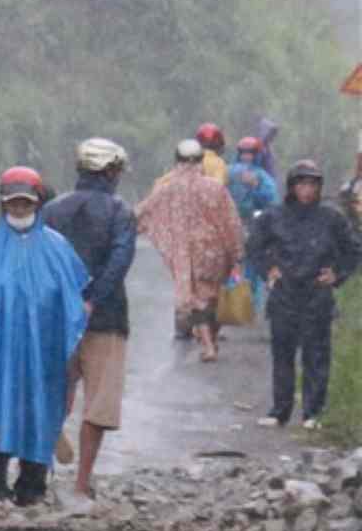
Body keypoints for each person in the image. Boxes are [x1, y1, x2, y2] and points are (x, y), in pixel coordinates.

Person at [0, 166, 89, 507]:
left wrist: (70, 351)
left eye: (26, 202)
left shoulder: (58, 248)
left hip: (44, 354)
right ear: (2, 203)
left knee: (39, 411)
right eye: (12, 203)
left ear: (38, 202)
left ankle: (32, 485)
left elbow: (76, 300)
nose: (19, 208)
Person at [41, 139, 138, 500]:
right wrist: (93, 299)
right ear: (111, 172)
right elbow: (119, 260)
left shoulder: (52, 210)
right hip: (107, 318)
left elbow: (43, 262)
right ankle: (82, 481)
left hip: (58, 317)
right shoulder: (120, 212)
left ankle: (43, 465)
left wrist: (65, 300)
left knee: (55, 390)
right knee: (99, 403)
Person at [248, 160, 360, 430]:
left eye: (312, 184)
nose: (306, 190)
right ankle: (279, 411)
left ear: (319, 187)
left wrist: (337, 275)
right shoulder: (274, 217)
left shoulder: (331, 218)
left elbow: (354, 250)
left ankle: (312, 413)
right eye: (301, 184)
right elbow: (253, 247)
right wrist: (268, 271)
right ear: (291, 186)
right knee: (283, 355)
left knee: (316, 356)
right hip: (284, 294)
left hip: (317, 294)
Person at [136, 139, 241, 365]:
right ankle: (210, 338)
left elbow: (143, 213)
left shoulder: (167, 188)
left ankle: (208, 344)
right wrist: (236, 253)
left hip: (187, 255)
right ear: (201, 160)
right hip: (215, 252)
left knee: (197, 299)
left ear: (177, 161)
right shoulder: (215, 188)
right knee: (211, 295)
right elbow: (231, 222)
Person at [227, 135, 279, 314]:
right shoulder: (229, 171)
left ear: (257, 155)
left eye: (250, 153)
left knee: (252, 266)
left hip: (254, 225)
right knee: (229, 264)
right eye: (243, 153)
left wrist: (255, 186)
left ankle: (248, 306)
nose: (246, 157)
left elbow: (271, 199)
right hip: (231, 223)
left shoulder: (262, 176)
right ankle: (229, 304)